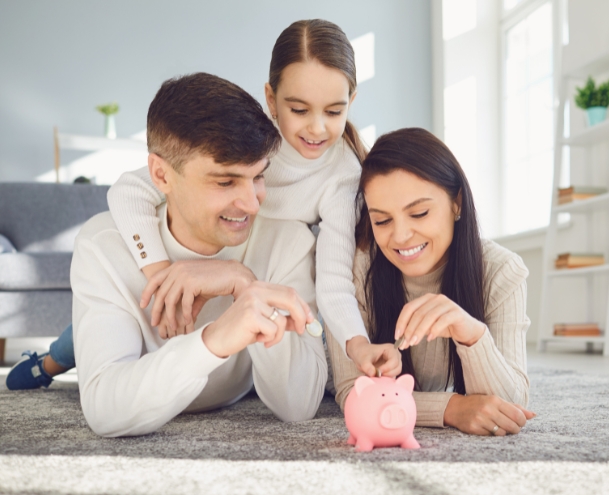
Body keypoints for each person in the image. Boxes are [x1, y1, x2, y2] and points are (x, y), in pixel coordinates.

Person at [6, 18, 400, 391]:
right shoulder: (249, 142)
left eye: (334, 111)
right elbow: (128, 192)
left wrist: (357, 345)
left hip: (255, 264)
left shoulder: (343, 176)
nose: (316, 128)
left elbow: (333, 281)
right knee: (113, 322)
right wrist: (164, 275)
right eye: (299, 110)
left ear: (352, 99)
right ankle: (51, 363)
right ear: (271, 98)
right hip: (194, 254)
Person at [68, 72, 328, 437]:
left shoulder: (288, 240)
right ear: (160, 175)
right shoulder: (103, 246)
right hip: (103, 313)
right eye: (225, 182)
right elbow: (104, 410)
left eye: (258, 177)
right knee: (66, 349)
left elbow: (298, 405)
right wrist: (214, 340)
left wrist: (247, 286)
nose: (252, 203)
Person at [327, 128, 536, 436]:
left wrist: (471, 334)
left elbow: (510, 405)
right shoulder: (357, 269)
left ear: (457, 204)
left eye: (419, 213)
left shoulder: (502, 270)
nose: (399, 236)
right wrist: (451, 408)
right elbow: (352, 393)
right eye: (382, 221)